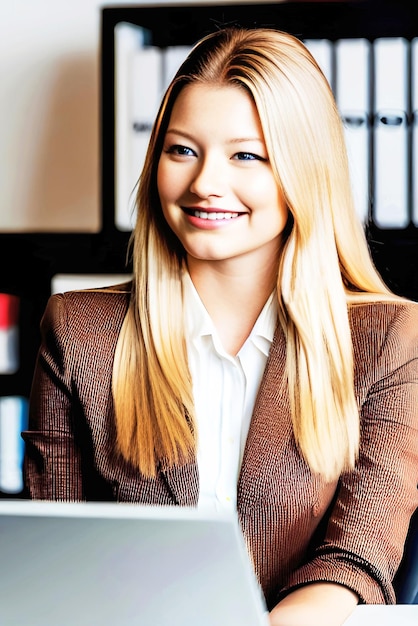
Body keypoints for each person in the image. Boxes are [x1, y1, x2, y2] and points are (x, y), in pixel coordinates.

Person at [22, 26, 418, 625]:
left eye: (246, 155)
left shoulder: (387, 339)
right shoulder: (78, 330)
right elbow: (52, 558)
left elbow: (357, 559)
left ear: (302, 171)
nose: (205, 183)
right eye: (182, 150)